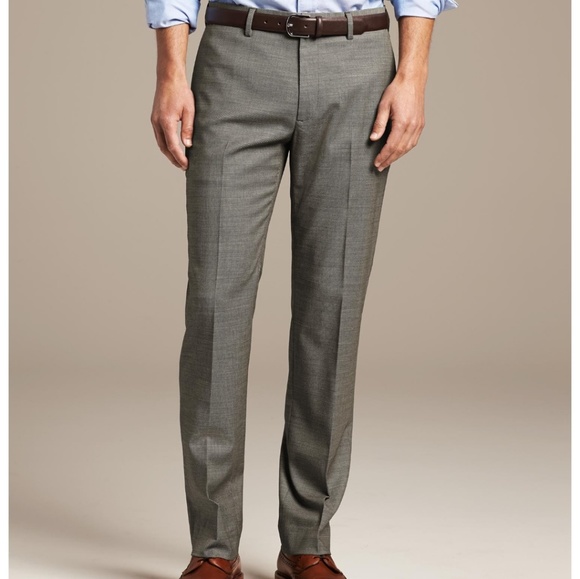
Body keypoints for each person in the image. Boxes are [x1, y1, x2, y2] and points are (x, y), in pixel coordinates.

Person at [144, 0, 458, 576]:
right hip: (237, 57)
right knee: (215, 309)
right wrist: (170, 71)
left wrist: (413, 76)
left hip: (356, 64)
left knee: (332, 307)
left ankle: (307, 541)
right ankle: (213, 547)